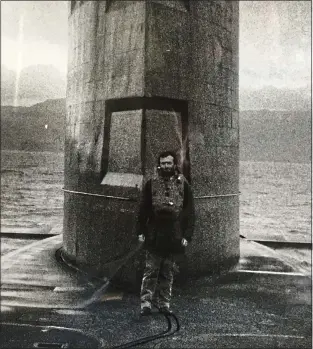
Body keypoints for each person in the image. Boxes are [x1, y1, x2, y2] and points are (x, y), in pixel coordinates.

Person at [137, 150, 195, 316]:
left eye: (169, 163)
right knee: (150, 271)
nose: (166, 166)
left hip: (173, 234)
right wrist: (140, 231)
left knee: (167, 273)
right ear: (159, 164)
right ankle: (146, 304)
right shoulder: (151, 184)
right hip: (155, 234)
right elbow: (144, 209)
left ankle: (164, 304)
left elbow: (190, 212)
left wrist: (187, 235)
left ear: (174, 164)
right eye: (163, 163)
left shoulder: (183, 184)